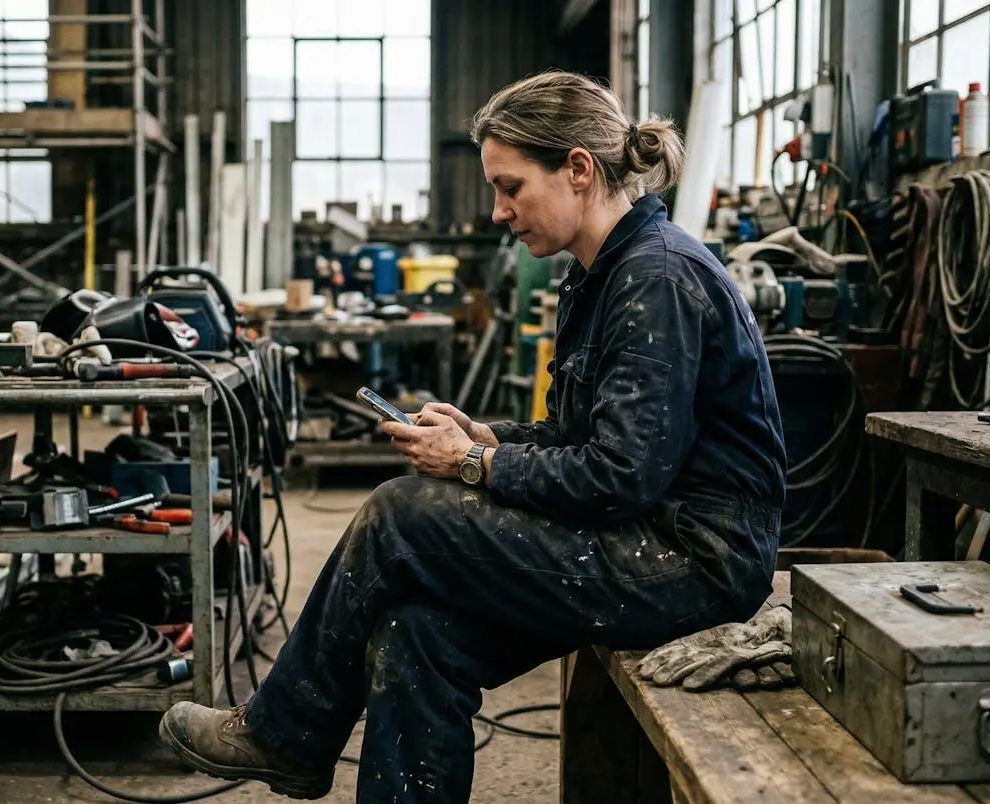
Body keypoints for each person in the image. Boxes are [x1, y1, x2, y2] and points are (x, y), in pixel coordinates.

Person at [158, 71, 788, 803]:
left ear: (578, 170)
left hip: (692, 563)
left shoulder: (656, 278)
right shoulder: (596, 277)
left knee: (401, 513)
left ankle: (284, 733)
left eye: (511, 186)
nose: (497, 211)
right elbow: (579, 438)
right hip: (639, 537)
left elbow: (620, 477)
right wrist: (487, 435)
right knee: (414, 633)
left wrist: (475, 464)